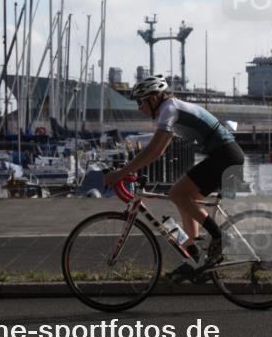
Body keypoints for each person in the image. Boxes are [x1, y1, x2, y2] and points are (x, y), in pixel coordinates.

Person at [104, 75, 244, 280]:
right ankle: (194, 258)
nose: (138, 108)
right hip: (224, 155)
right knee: (185, 199)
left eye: (140, 102)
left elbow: (154, 150)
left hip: (225, 156)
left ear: (153, 99)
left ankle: (220, 236)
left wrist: (121, 173)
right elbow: (158, 151)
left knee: (177, 193)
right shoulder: (171, 108)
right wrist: (132, 169)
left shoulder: (169, 109)